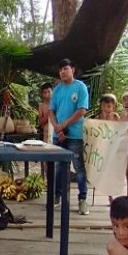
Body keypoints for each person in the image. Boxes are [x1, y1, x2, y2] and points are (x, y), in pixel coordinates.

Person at [48, 58, 90, 215]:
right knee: (58, 166)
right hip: (58, 135)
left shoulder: (80, 88)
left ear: (73, 69)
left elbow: (81, 111)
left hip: (75, 135)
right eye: (60, 70)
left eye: (65, 68)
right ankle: (57, 197)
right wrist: (57, 128)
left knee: (78, 167)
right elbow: (51, 111)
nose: (62, 72)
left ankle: (82, 199)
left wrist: (64, 126)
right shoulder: (57, 89)